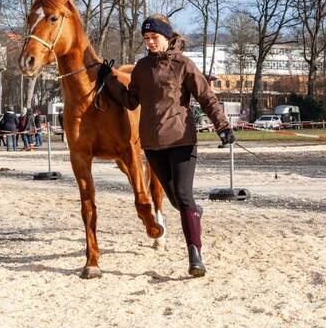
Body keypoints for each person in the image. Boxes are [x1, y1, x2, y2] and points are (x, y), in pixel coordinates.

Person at [100, 14, 235, 277]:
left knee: (183, 196)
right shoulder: (141, 69)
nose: (150, 42)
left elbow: (206, 96)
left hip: (181, 140)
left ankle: (195, 255)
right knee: (175, 199)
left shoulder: (183, 65)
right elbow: (130, 101)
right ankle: (193, 213)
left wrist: (223, 126)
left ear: (167, 37)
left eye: (154, 37)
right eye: (146, 38)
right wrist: (110, 80)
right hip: (152, 145)